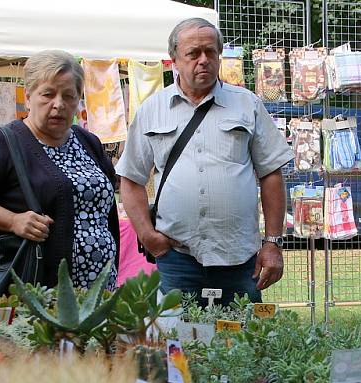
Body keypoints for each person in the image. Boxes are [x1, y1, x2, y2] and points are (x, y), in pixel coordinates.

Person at [117, 18, 293, 306]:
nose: (204, 60)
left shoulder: (248, 104)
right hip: (177, 260)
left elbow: (271, 174)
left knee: (242, 345)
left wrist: (273, 243)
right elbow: (131, 178)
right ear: (174, 59)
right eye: (193, 53)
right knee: (177, 345)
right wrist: (148, 236)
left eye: (211, 52)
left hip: (239, 259)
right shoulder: (152, 110)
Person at [0, 50, 120, 289]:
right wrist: (13, 220)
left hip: (97, 292)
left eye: (69, 96)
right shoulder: (1, 142)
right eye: (48, 94)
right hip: (35, 292)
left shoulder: (88, 142)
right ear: (28, 97)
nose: (59, 104)